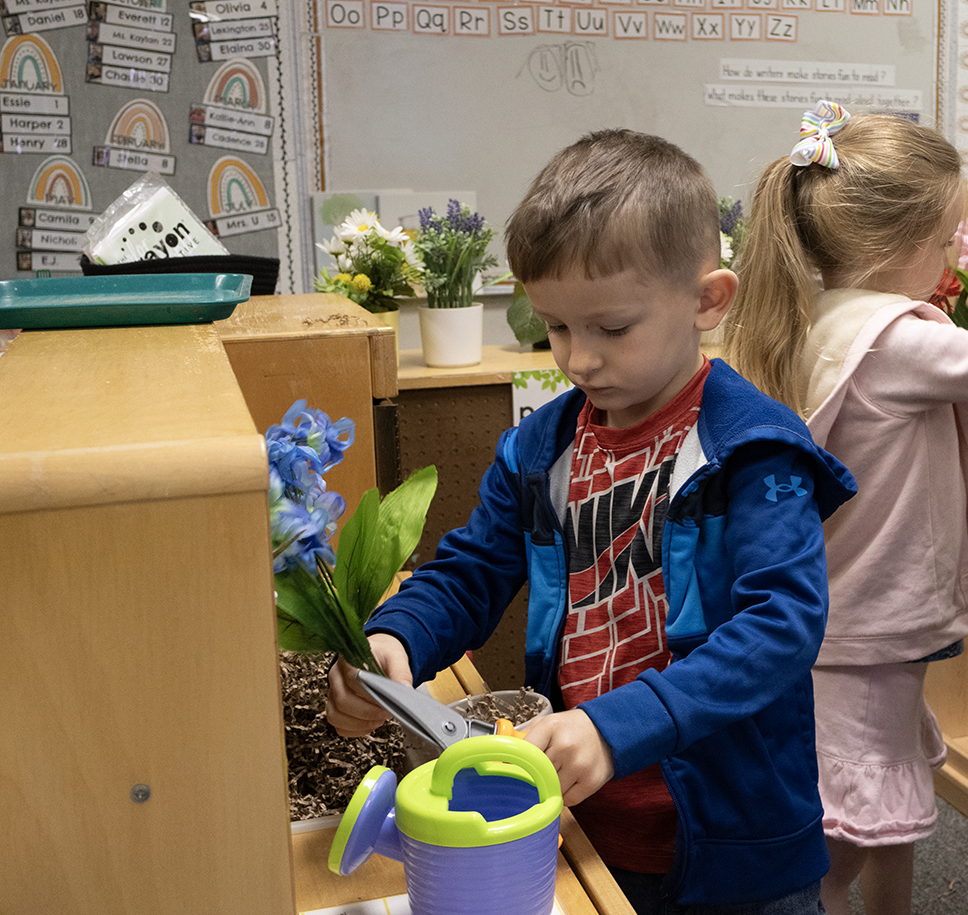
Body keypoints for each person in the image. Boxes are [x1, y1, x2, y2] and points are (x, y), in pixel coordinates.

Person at [325, 129, 858, 915]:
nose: (579, 360)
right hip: (583, 817)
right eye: (558, 326)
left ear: (709, 301)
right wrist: (396, 641)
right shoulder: (543, 448)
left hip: (734, 844)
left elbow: (782, 624)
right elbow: (473, 570)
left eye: (611, 329)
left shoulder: (756, 450)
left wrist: (618, 728)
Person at [725, 101, 968, 915]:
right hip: (869, 625)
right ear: (883, 247)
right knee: (843, 844)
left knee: (881, 816)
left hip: (836, 613)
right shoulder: (897, 339)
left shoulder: (814, 320)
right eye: (941, 244)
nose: (945, 264)